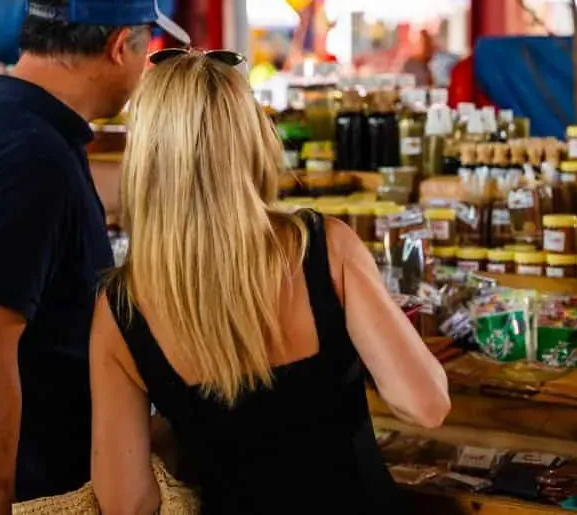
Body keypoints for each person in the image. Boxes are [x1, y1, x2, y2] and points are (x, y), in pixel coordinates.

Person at [89, 51, 451, 514]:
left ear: (143, 159)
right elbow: (426, 404)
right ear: (255, 138)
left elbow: (128, 503)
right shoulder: (325, 248)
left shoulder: (120, 308)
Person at [0, 0, 190, 515]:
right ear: (122, 45)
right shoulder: (29, 157)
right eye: (148, 45)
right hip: (39, 499)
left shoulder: (1, 127)